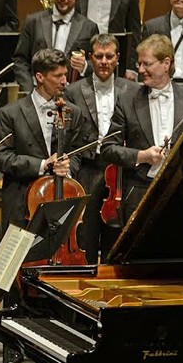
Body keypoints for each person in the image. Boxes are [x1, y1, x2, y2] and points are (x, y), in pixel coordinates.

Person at [103, 34, 183, 224]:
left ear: (166, 63)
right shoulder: (127, 100)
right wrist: (142, 156)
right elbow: (108, 148)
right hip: (139, 191)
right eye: (139, 64)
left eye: (146, 64)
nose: (140, 70)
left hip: (180, 190)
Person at [63, 33, 137, 262]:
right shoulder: (73, 91)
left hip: (120, 172)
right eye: (99, 56)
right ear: (90, 57)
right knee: (86, 234)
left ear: (117, 58)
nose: (104, 61)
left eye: (109, 56)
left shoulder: (132, 89)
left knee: (115, 237)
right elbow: (69, 136)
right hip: (88, 168)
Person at [0, 48, 87, 230]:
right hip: (21, 202)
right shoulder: (10, 113)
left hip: (60, 197)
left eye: (65, 74)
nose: (64, 81)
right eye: (58, 76)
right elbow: (2, 158)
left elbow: (77, 152)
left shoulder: (73, 112)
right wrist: (43, 165)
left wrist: (67, 167)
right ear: (40, 77)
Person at [13, 0, 99, 93]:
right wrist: (30, 91)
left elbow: (97, 63)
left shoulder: (89, 27)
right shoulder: (33, 22)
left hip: (73, 95)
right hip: (37, 93)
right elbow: (20, 60)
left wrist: (85, 66)